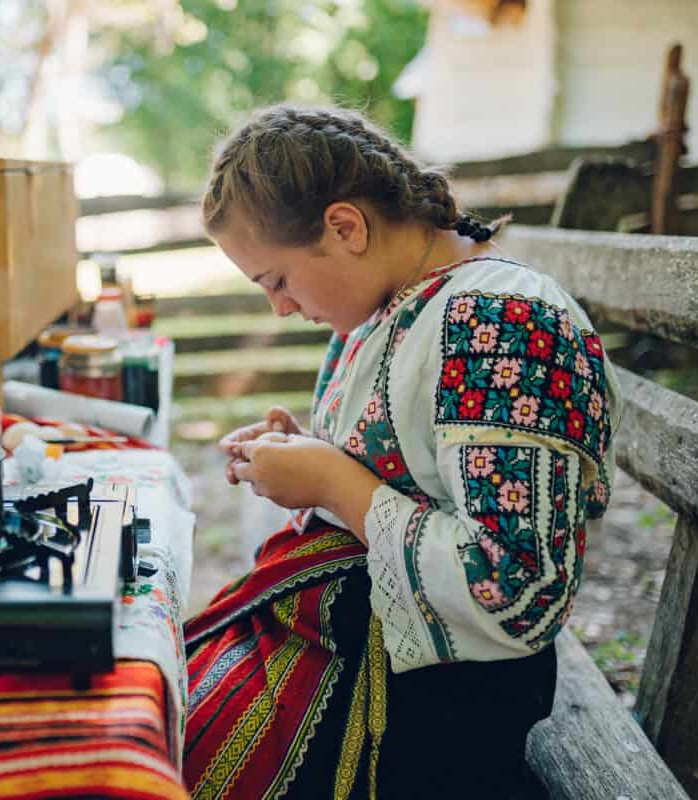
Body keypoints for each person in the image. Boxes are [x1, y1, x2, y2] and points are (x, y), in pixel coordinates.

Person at [183, 104, 620, 799]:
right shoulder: (393, 306)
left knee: (175, 761)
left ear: (345, 226)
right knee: (154, 708)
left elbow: (517, 588)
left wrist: (331, 483)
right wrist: (301, 454)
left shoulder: (498, 323)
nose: (281, 309)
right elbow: (408, 466)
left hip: (439, 701)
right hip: (362, 645)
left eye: (277, 280)